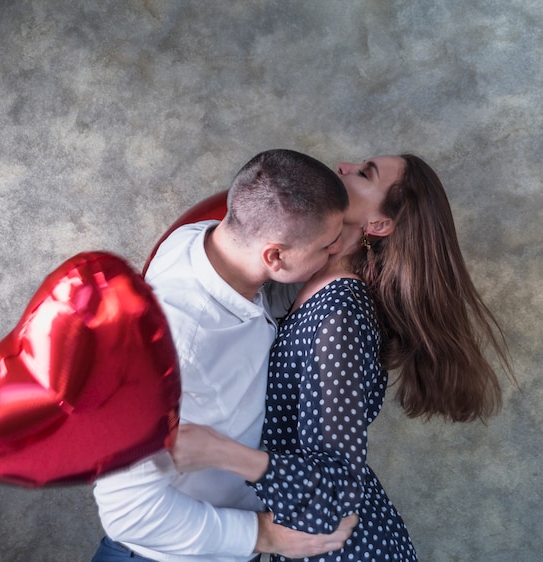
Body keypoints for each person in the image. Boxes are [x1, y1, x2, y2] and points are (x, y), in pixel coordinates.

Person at [170, 154, 514, 561]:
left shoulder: (340, 312)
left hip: (341, 549)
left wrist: (221, 454)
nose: (345, 166)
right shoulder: (304, 283)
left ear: (379, 225)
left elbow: (339, 488)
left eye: (366, 173)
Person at [91, 149, 357, 562]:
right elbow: (127, 512)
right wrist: (264, 535)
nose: (333, 252)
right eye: (327, 246)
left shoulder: (203, 240)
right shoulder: (173, 346)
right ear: (275, 255)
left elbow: (270, 293)